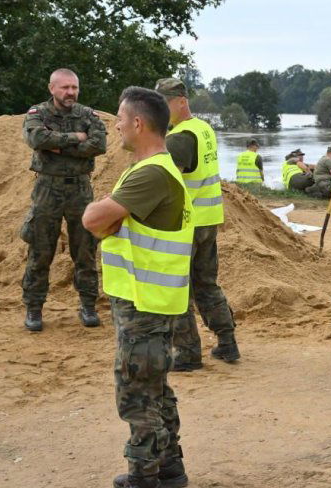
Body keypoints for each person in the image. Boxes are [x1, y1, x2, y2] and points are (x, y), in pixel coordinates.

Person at [81, 86, 192, 488]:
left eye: (120, 119)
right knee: (155, 390)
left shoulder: (151, 173)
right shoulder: (149, 170)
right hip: (149, 299)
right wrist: (111, 214)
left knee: (137, 394)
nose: (117, 126)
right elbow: (109, 218)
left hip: (144, 303)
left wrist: (106, 213)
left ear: (139, 123)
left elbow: (94, 220)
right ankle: (170, 469)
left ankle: (143, 477)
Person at [155, 78, 240, 370]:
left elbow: (169, 182)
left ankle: (188, 353)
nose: (162, 112)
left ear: (181, 101)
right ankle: (227, 343)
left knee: (177, 288)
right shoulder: (204, 129)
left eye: (164, 104)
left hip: (185, 224)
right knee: (206, 284)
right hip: (208, 221)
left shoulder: (179, 138)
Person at [20, 68, 107, 332]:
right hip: (47, 188)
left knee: (85, 250)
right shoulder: (38, 114)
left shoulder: (87, 114)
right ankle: (34, 309)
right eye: (65, 87)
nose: (70, 92)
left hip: (81, 190)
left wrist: (56, 145)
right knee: (40, 249)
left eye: (74, 87)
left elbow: (100, 144)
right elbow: (36, 137)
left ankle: (88, 306)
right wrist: (76, 140)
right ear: (52, 88)